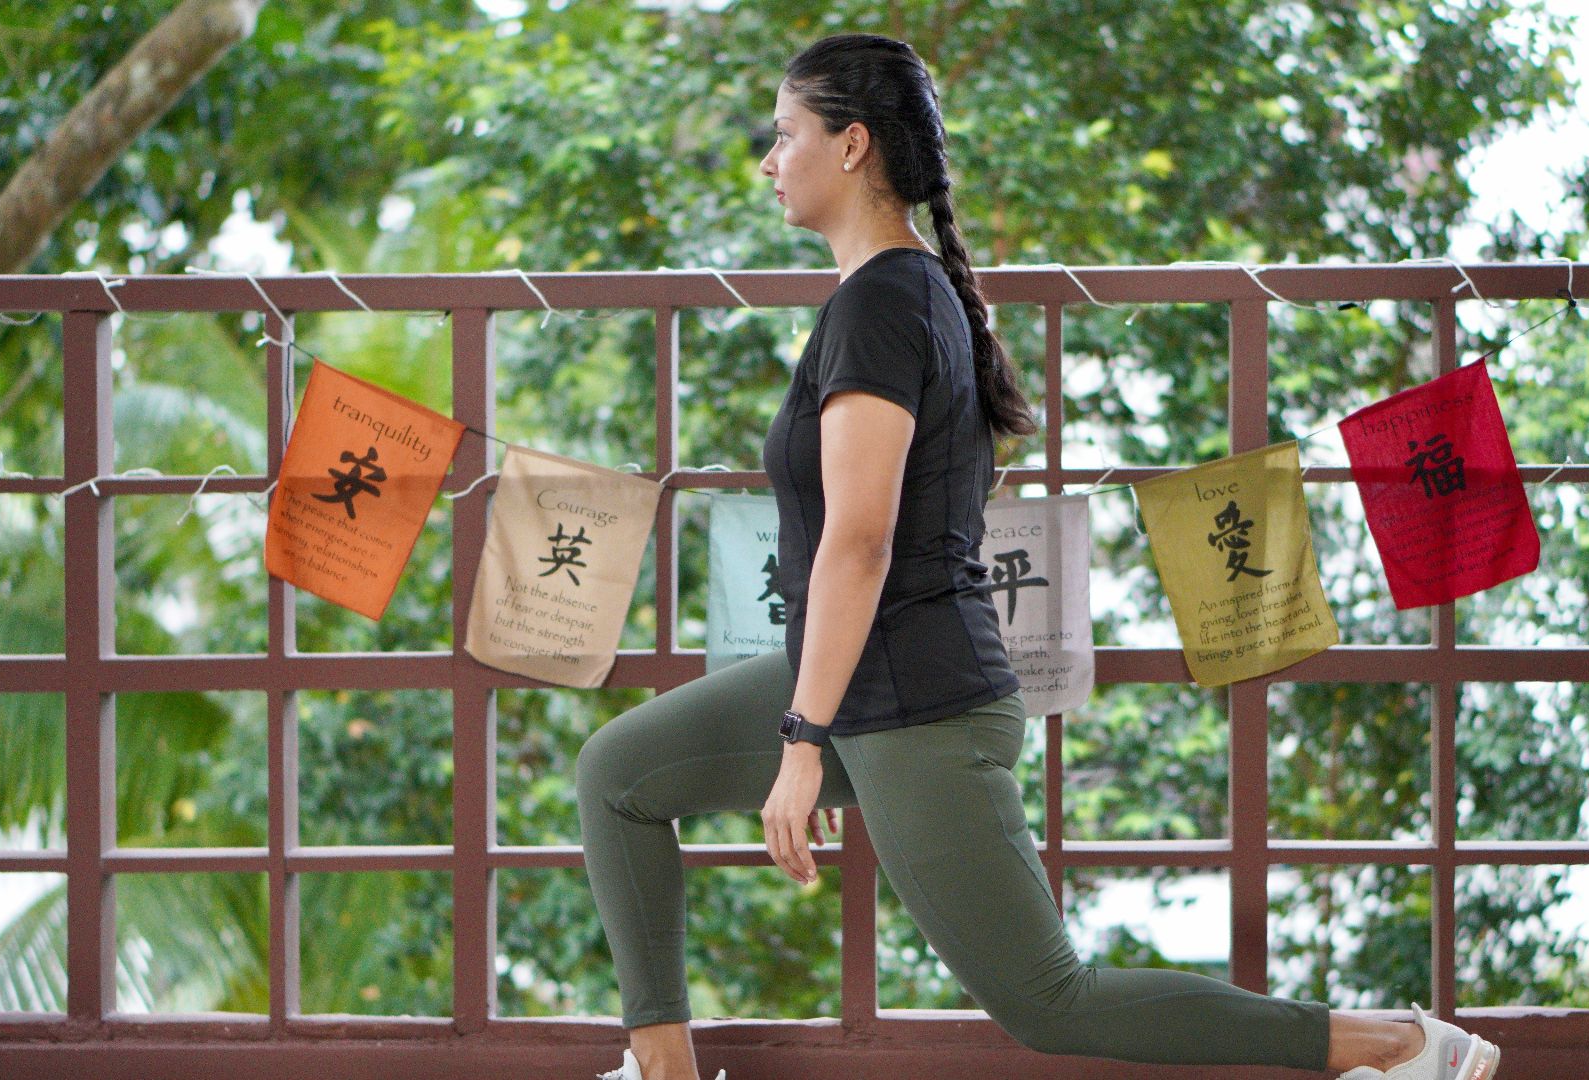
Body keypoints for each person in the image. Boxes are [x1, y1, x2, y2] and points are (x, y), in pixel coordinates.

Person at [576, 31, 1503, 1080]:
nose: (767, 160)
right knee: (618, 775)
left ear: (852, 145)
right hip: (866, 684)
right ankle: (663, 1070)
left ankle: (1397, 1047)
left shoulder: (883, 302)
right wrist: (815, 727)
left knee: (1052, 1001)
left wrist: (801, 745)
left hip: (917, 704)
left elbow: (863, 540)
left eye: (785, 134)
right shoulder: (904, 294)